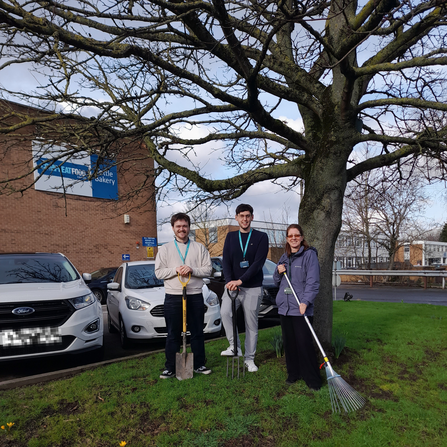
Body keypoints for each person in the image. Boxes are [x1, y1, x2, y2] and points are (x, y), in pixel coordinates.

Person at [155, 212, 213, 379]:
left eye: (185, 226)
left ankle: (199, 364)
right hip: (173, 296)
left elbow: (208, 269)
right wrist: (175, 270)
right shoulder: (165, 249)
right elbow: (158, 272)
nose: (182, 229)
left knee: (197, 332)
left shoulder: (199, 248)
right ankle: (171, 367)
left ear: (189, 227)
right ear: (173, 228)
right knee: (173, 333)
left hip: (194, 295)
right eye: (178, 226)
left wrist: (192, 270)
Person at [220, 204, 269, 372]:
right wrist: (229, 281)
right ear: (237, 218)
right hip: (232, 286)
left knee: (251, 324)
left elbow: (258, 264)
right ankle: (235, 347)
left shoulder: (261, 237)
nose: (245, 219)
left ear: (252, 217)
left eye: (248, 216)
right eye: (241, 216)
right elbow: (225, 260)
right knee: (225, 313)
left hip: (252, 287)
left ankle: (250, 359)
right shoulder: (231, 237)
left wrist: (240, 280)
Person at [273, 224, 322, 390]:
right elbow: (276, 281)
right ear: (287, 239)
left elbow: (313, 282)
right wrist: (277, 271)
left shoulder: (309, 256)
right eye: (290, 236)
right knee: (290, 344)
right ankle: (293, 374)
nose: (293, 238)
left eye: (296, 235)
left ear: (301, 237)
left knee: (304, 344)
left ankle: (313, 379)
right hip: (285, 308)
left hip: (301, 308)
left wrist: (305, 301)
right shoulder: (284, 257)